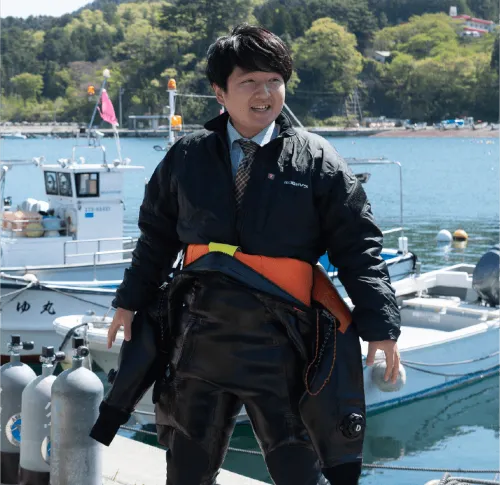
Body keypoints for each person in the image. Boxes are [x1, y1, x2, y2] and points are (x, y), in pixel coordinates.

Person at [106, 24, 401, 485]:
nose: (264, 93)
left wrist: (381, 328)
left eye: (274, 81)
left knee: (299, 473)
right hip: (198, 345)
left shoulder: (316, 159)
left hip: (287, 349)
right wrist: (128, 302)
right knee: (186, 473)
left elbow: (358, 246)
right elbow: (156, 239)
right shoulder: (186, 157)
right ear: (219, 92)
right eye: (249, 82)